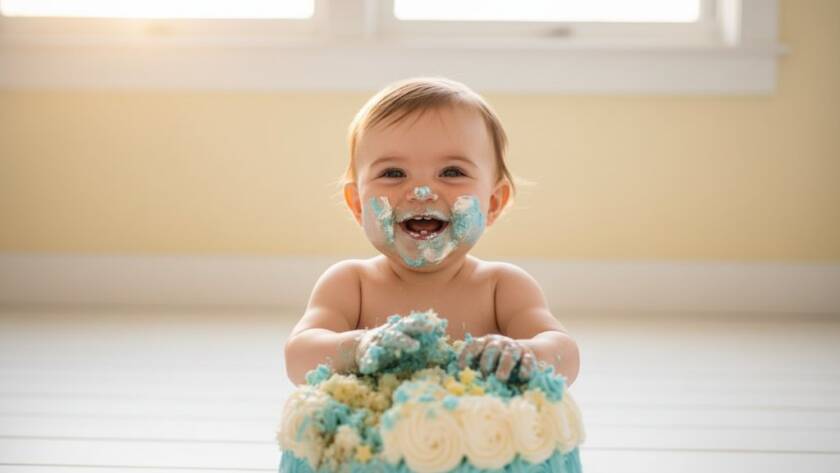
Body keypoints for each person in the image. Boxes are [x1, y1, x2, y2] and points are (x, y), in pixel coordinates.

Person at [284, 77, 579, 388]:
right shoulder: (352, 284)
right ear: (357, 204)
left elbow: (565, 353)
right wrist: (357, 348)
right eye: (393, 173)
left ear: (493, 202)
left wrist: (523, 352)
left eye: (452, 172)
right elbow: (299, 356)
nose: (421, 191)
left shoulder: (502, 287)